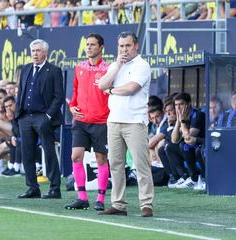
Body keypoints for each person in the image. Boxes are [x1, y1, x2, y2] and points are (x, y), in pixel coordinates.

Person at [98, 31, 154, 217]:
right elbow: (101, 85)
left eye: (128, 46)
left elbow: (131, 88)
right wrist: (117, 66)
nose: (124, 49)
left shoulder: (142, 65)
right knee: (115, 164)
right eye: (121, 46)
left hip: (135, 122)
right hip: (114, 121)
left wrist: (112, 90)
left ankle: (146, 204)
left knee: (141, 164)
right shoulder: (116, 65)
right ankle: (118, 204)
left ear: (136, 46)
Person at [65, 33, 109, 211]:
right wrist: (72, 107)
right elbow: (75, 91)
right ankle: (82, 198)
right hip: (81, 120)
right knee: (75, 156)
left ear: (101, 48)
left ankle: (101, 198)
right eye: (87, 44)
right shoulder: (79, 68)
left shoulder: (108, 69)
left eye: (92, 44)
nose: (88, 47)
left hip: (101, 121)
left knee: (101, 159)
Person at [15, 39, 64, 199]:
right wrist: (18, 115)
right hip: (25, 117)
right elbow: (20, 93)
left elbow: (59, 97)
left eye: (38, 51)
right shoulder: (26, 69)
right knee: (27, 153)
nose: (35, 54)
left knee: (49, 152)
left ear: (45, 53)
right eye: (33, 51)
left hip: (43, 117)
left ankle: (55, 188)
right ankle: (32, 188)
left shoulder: (54, 70)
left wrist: (48, 116)